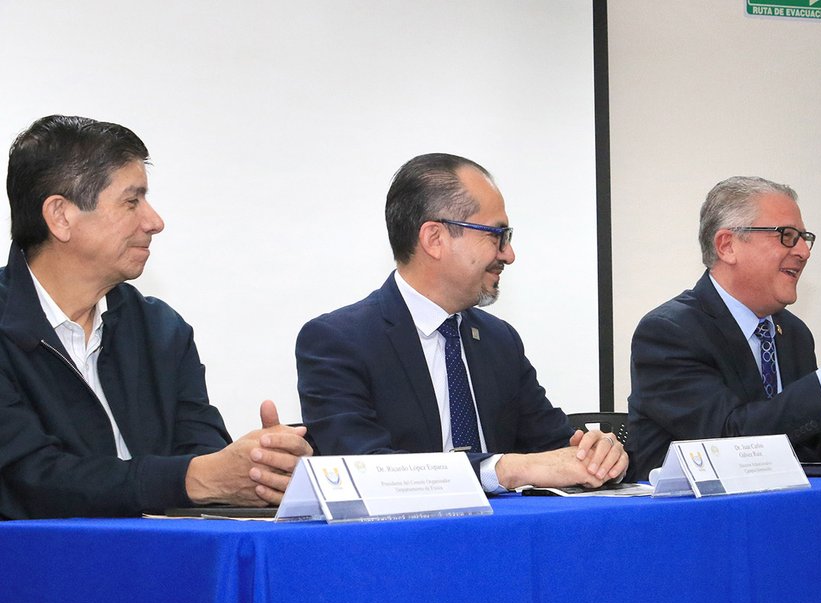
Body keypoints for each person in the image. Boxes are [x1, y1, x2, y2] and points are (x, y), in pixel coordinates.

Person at [0, 114, 311, 519]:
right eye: (132, 201)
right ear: (60, 216)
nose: (154, 222)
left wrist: (260, 466)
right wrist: (195, 478)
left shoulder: (160, 329)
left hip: (161, 566)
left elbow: (202, 453)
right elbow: (29, 480)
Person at [295, 153, 626, 491]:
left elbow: (554, 446)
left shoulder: (500, 341)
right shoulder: (337, 342)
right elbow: (364, 470)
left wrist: (599, 456)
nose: (508, 254)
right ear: (434, 239)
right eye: (496, 235)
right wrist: (504, 469)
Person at [626, 176, 821, 480]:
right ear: (727, 245)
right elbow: (731, 440)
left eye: (804, 238)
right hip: (689, 517)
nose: (803, 252)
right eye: (786, 235)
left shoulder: (792, 332)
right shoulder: (668, 332)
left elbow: (811, 433)